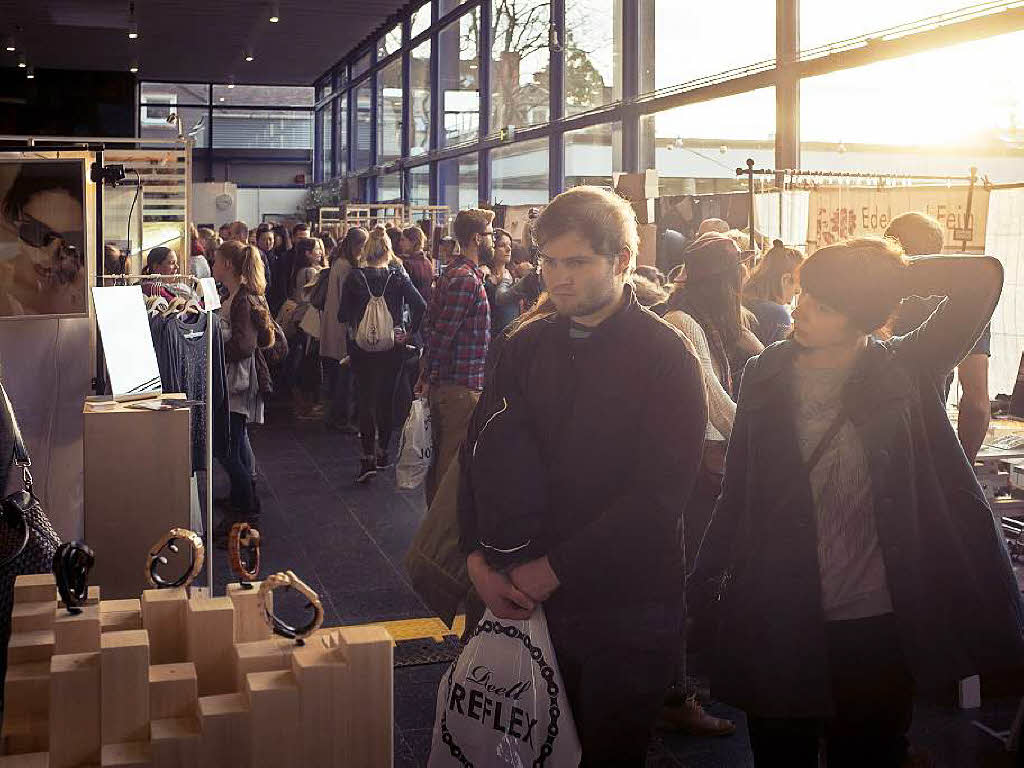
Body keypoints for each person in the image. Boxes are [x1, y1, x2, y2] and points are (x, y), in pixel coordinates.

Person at [691, 236, 1024, 767]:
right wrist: (703, 586)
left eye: (823, 306)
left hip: (876, 617)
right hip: (779, 607)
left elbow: (983, 276)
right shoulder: (768, 373)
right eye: (804, 295)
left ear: (862, 316)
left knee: (871, 751)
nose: (801, 312)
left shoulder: (907, 365)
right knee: (780, 752)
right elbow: (739, 490)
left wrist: (883, 275)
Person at [458, 186, 707, 766]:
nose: (557, 278)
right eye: (548, 261)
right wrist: (475, 557)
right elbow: (477, 456)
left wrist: (552, 569)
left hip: (623, 609)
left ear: (622, 260)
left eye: (576, 263)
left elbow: (660, 496)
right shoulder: (524, 345)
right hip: (516, 589)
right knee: (512, 749)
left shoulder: (666, 358)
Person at [885, 211, 991, 463]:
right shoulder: (967, 306)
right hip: (926, 446)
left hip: (866, 448)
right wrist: (962, 470)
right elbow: (976, 404)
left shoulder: (869, 301)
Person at [416, 209, 493, 506]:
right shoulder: (466, 279)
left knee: (443, 467)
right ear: (476, 238)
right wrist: (426, 375)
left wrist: (427, 375)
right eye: (490, 235)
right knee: (451, 472)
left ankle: (435, 537)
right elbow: (442, 335)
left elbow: (431, 326)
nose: (493, 240)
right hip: (459, 387)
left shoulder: (456, 273)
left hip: (450, 384)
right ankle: (439, 543)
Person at [341, 225, 426, 482]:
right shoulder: (398, 276)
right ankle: (383, 452)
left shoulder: (355, 277)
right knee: (386, 400)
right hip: (393, 348)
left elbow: (342, 314)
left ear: (367, 250)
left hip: (362, 349)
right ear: (388, 251)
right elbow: (420, 305)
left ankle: (366, 456)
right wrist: (409, 333)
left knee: (365, 399)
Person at [212, 240, 275, 525]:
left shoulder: (241, 299)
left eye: (215, 261)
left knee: (227, 446)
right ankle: (242, 498)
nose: (213, 266)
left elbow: (244, 345)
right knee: (233, 443)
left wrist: (214, 350)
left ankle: (247, 507)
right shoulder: (237, 294)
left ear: (227, 265)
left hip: (238, 380)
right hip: (237, 379)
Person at [0, 162, 87, 317]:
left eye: (69, 240)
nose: (50, 254)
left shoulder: (78, 294)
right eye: (36, 233)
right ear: (16, 219)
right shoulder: (6, 288)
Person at [321, 226, 366, 433]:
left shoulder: (338, 262)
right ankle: (342, 417)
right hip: (343, 328)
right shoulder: (347, 267)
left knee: (337, 375)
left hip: (332, 326)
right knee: (345, 376)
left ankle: (333, 416)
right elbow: (346, 302)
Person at [743, 239, 804, 346]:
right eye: (795, 292)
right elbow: (781, 360)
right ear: (785, 280)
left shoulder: (741, 301)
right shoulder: (777, 314)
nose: (790, 302)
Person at [483, 228, 521, 334]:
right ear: (492, 248)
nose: (508, 249)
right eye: (502, 245)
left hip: (511, 338)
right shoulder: (484, 275)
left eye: (509, 245)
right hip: (491, 337)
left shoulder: (514, 275)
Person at [399, 225, 434, 303]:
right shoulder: (428, 262)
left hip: (412, 308)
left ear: (413, 242)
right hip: (426, 306)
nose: (400, 243)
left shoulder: (407, 264)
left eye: (403, 240)